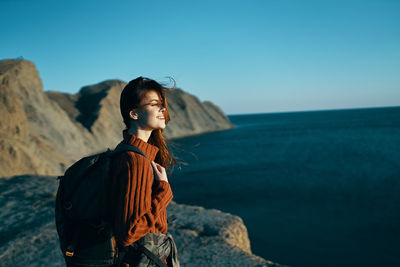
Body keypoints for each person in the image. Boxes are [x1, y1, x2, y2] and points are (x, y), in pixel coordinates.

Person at [110, 77, 179, 267]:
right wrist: (164, 191)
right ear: (134, 113)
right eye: (155, 104)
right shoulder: (135, 161)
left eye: (162, 105)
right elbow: (130, 232)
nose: (162, 109)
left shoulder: (128, 152)